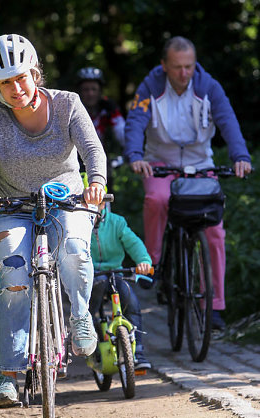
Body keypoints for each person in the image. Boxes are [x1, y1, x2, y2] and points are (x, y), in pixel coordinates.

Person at [0, 33, 107, 407]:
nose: (16, 88)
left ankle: (80, 317)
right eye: (5, 82)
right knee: (14, 275)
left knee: (75, 249)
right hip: (12, 205)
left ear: (35, 72)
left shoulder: (68, 104)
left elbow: (93, 149)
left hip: (68, 199)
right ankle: (9, 375)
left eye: (21, 77)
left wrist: (96, 182)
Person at [124, 36, 252, 331]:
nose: (184, 74)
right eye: (177, 67)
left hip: (200, 165)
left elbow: (228, 121)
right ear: (164, 66)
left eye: (189, 67)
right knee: (156, 200)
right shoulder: (149, 88)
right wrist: (134, 155)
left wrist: (240, 156)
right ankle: (152, 263)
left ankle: (215, 305)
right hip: (159, 163)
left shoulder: (209, 87)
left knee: (215, 233)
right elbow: (135, 121)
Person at [89, 200, 152, 370]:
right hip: (89, 275)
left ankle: (138, 351)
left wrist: (143, 261)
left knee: (130, 301)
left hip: (115, 272)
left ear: (104, 203)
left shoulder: (116, 222)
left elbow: (133, 242)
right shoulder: (77, 225)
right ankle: (88, 338)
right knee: (89, 307)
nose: (95, 207)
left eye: (99, 203)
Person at [76, 67, 125, 192]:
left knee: (105, 195)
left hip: (103, 161)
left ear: (100, 91)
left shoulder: (108, 108)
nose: (90, 93)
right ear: (80, 91)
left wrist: (129, 153)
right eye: (86, 90)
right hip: (75, 161)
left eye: (94, 89)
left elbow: (122, 132)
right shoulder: (72, 108)